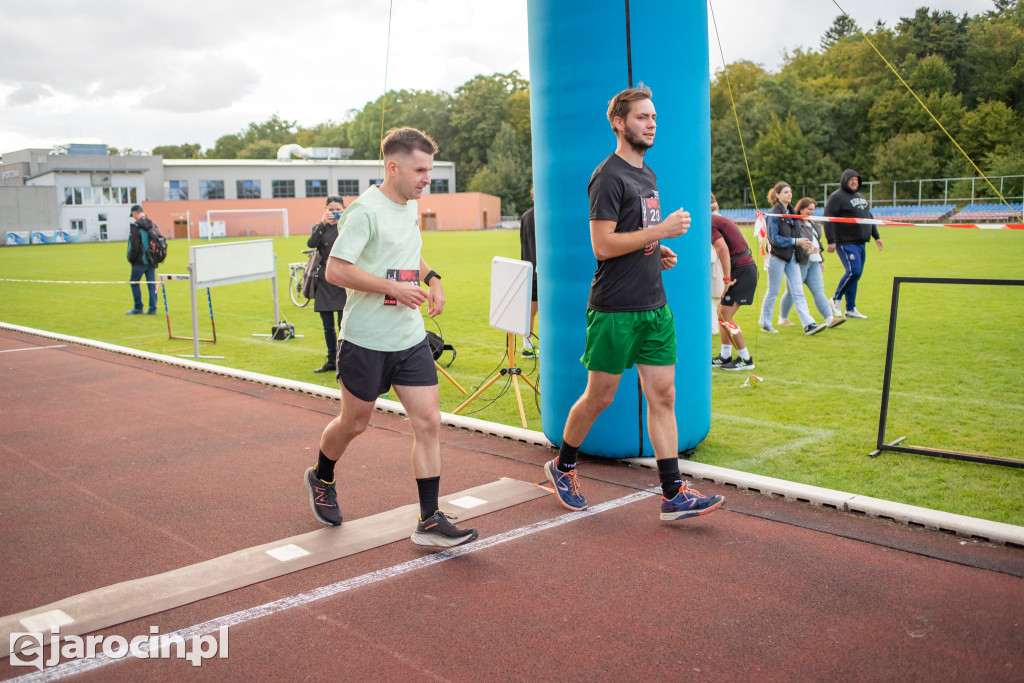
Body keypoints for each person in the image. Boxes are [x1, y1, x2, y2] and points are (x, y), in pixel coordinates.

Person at [544, 85, 724, 521]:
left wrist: (653, 252)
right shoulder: (608, 176)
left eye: (655, 118)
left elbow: (632, 235)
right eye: (643, 118)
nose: (651, 125)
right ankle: (562, 466)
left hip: (654, 308)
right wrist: (660, 232)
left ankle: (672, 494)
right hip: (614, 310)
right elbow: (602, 246)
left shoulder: (648, 174)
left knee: (664, 395)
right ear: (619, 123)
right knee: (599, 397)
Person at [305, 127, 478, 548]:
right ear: (393, 167)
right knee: (355, 422)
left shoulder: (408, 205)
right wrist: (393, 288)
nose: (427, 178)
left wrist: (430, 277)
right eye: (420, 170)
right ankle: (322, 475)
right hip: (365, 339)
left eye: (429, 170)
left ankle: (430, 519)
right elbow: (336, 270)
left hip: (409, 338)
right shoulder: (364, 211)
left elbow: (405, 254)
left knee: (428, 422)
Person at [758, 182, 827, 336]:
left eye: (790, 191)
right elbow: (774, 238)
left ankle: (809, 324)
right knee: (773, 291)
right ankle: (766, 324)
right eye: (785, 192)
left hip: (792, 257)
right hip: (777, 257)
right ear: (777, 195)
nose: (789, 194)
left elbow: (797, 233)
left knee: (798, 291)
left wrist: (805, 242)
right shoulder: (773, 214)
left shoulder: (793, 213)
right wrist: (796, 241)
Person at [778, 197, 846, 331]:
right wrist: (806, 251)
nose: (811, 212)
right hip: (800, 262)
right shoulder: (794, 222)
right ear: (801, 208)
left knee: (819, 291)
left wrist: (821, 260)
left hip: (813, 263)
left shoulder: (813, 223)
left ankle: (829, 319)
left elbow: (817, 242)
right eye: (809, 209)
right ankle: (782, 319)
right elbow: (793, 242)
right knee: (791, 293)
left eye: (813, 210)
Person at [824, 169, 883, 319]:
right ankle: (836, 299)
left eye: (856, 180)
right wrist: (831, 240)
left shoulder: (861, 198)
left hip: (860, 242)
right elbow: (828, 218)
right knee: (853, 271)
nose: (854, 182)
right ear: (845, 181)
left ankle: (850, 308)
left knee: (856, 275)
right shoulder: (836, 197)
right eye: (851, 179)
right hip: (845, 241)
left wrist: (876, 236)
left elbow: (868, 217)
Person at [710, 193, 758, 371]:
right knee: (722, 314)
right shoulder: (717, 219)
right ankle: (725, 355)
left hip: (742, 271)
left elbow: (721, 248)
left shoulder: (711, 221)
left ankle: (746, 359)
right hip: (744, 268)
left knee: (724, 316)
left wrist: (727, 279)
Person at [307, 195, 348, 373]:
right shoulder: (320, 227)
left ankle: (343, 360)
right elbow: (311, 243)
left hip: (342, 280)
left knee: (343, 325)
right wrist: (323, 224)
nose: (334, 212)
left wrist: (345, 219)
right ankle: (331, 359)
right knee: (327, 326)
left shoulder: (347, 227)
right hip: (323, 281)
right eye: (331, 209)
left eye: (338, 209)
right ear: (325, 209)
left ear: (344, 209)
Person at [126, 204, 157, 315]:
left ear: (134, 213)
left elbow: (134, 246)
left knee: (134, 283)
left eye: (133, 215)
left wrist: (131, 259)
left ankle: (138, 308)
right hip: (152, 260)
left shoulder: (136, 226)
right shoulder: (152, 224)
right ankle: (153, 308)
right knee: (151, 284)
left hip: (139, 261)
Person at [519, 189, 539, 358]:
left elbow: (523, 244)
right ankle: (528, 346)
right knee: (539, 311)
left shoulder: (526, 216)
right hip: (542, 271)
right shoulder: (545, 215)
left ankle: (527, 345)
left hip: (529, 268)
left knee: (530, 312)